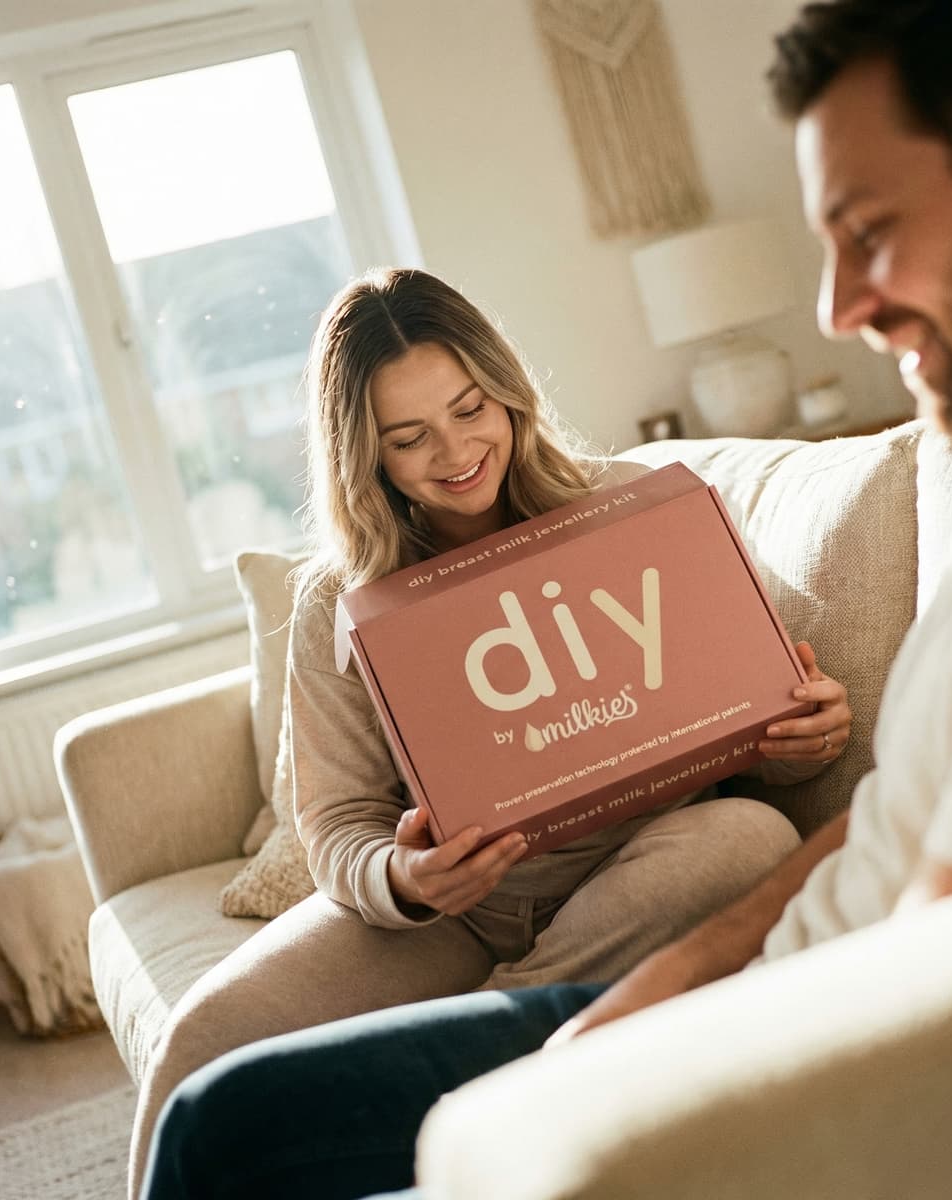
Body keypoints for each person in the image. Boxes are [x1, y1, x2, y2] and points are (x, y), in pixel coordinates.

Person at [140, 1, 952, 1196]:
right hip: (614, 957)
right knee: (215, 1093)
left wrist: (603, 1075)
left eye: (869, 229)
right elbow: (886, 828)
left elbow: (945, 1011)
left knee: (235, 1138)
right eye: (409, 439)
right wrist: (634, 995)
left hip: (767, 1046)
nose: (832, 308)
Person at [128, 267, 852, 1195]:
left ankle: (460, 1077)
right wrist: (406, 876)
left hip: (647, 863)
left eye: (472, 409)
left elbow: (768, 693)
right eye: (408, 437)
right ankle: (479, 1060)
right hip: (455, 910)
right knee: (201, 1041)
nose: (456, 450)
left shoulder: (634, 506)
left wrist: (810, 734)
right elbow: (336, 828)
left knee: (751, 837)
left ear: (508, 392)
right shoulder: (332, 602)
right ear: (366, 456)